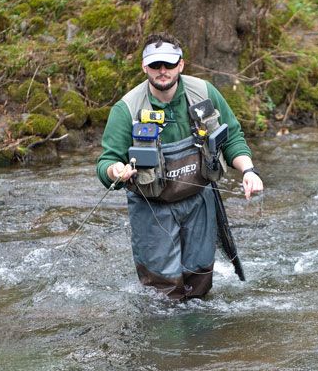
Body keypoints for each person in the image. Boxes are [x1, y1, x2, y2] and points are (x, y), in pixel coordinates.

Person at [97, 32, 263, 300]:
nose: (162, 71)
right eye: (155, 65)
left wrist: (248, 171)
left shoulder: (204, 93)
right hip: (152, 209)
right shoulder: (126, 109)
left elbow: (232, 137)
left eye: (169, 64)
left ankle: (197, 327)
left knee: (199, 283)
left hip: (199, 202)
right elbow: (106, 162)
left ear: (181, 65)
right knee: (162, 293)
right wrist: (115, 171)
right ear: (144, 67)